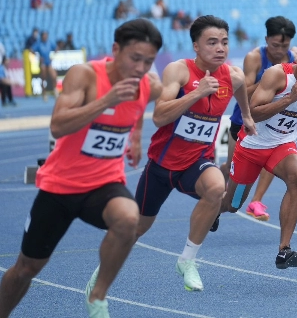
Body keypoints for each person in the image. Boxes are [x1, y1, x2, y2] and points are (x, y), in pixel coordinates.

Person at [0, 19, 164, 318]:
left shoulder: (150, 86)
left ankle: (97, 295)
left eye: (149, 62)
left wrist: (137, 134)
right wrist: (105, 101)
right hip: (60, 186)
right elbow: (58, 125)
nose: (141, 68)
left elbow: (139, 104)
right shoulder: (85, 75)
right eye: (135, 58)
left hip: (103, 183)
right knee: (27, 268)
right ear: (115, 50)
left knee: (129, 219)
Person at [87, 15, 256, 293]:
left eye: (224, 42)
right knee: (136, 229)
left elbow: (240, 91)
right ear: (196, 47)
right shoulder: (179, 71)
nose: (220, 48)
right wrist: (195, 94)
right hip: (161, 167)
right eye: (212, 42)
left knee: (216, 188)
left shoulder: (233, 75)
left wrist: (247, 117)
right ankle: (102, 271)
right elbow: (159, 116)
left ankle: (187, 260)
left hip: (197, 162)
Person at [221, 36, 297, 269]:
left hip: (282, 144)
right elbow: (253, 113)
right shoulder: (277, 75)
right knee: (233, 205)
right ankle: (213, 209)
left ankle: (284, 250)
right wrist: (290, 99)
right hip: (252, 147)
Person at [221, 16, 297, 222]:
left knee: (273, 156)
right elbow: (242, 92)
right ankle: (216, 194)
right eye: (275, 45)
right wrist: (270, 79)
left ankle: (257, 200)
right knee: (230, 169)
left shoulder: (294, 58)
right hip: (244, 120)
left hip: (273, 120)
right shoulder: (254, 57)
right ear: (266, 39)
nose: (280, 50)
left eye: (285, 45)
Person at [31, 30, 57, 101]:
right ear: (41, 36)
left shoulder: (50, 42)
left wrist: (53, 56)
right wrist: (38, 57)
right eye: (44, 35)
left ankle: (54, 90)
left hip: (49, 62)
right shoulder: (38, 43)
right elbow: (32, 50)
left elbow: (56, 49)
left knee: (53, 76)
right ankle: (44, 93)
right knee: (43, 77)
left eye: (46, 35)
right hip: (43, 63)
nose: (45, 37)